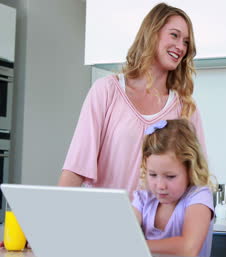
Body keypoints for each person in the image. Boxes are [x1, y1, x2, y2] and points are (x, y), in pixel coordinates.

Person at [58, 3, 206, 197]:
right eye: (174, 35)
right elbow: (76, 167)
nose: (181, 47)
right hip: (106, 222)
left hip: (160, 228)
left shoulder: (185, 109)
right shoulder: (107, 91)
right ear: (152, 33)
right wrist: (52, 220)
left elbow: (197, 183)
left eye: (186, 42)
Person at [132, 119, 214, 257]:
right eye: (153, 175)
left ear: (190, 170)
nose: (160, 186)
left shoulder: (199, 196)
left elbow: (188, 248)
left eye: (170, 176)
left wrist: (136, 245)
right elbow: (124, 234)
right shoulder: (144, 198)